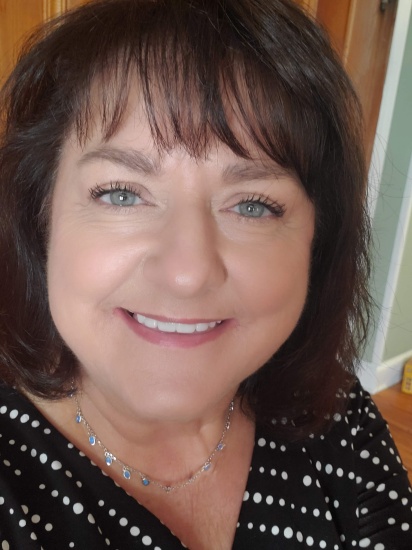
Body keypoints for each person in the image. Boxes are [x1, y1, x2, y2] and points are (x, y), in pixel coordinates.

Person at [0, 0, 411, 548]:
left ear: (318, 241)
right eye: (122, 194)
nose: (187, 273)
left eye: (253, 205)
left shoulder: (337, 415)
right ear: (40, 217)